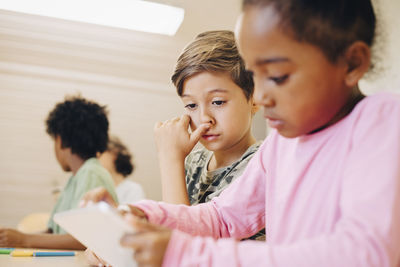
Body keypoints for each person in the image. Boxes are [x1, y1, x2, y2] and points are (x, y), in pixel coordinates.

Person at [83, 0, 400, 266]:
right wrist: (146, 215)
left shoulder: (381, 125)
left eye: (276, 76)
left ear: (351, 63)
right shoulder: (280, 143)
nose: (260, 96)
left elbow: (365, 253)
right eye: (254, 76)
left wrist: (184, 253)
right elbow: (222, 218)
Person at [154, 30, 265, 240]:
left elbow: (183, 247)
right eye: (191, 105)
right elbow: (165, 234)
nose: (204, 118)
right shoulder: (194, 161)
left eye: (217, 102)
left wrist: (169, 159)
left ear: (255, 98)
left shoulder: (262, 164)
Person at [0, 96, 118, 250]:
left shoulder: (91, 173)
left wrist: (24, 240)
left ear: (60, 140)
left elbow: (86, 239)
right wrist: (15, 239)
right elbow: (52, 232)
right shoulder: (74, 179)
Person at [99, 136, 145, 204]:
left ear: (114, 154)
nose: (97, 157)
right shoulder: (98, 189)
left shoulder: (133, 189)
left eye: (101, 152)